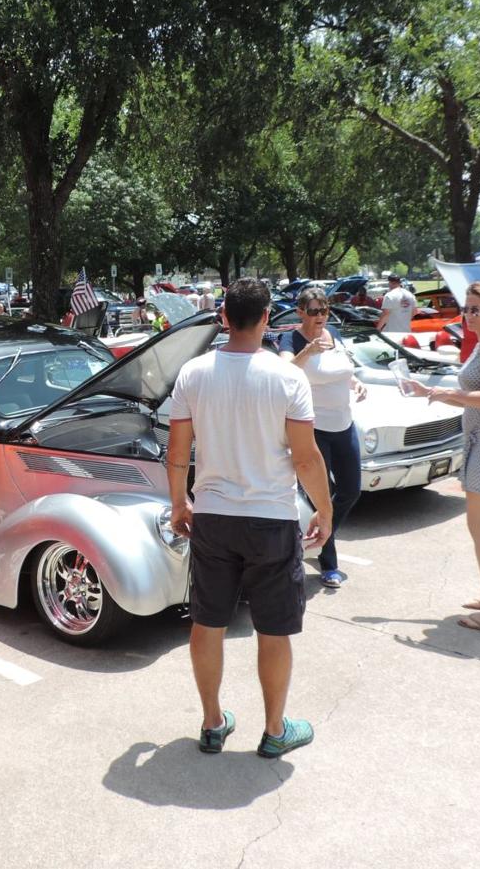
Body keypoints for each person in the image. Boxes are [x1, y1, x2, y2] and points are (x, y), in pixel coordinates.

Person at [166, 277, 333, 758]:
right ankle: (275, 730)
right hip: (271, 518)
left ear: (223, 316)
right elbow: (306, 457)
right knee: (274, 628)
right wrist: (325, 508)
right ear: (265, 319)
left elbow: (178, 451)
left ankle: (213, 722)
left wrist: (179, 503)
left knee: (208, 622)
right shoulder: (287, 376)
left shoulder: (193, 373)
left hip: (213, 516)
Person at [405, 281, 480, 634]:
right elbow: (473, 393)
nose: (468, 315)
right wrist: (434, 393)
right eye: (466, 308)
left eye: (476, 309)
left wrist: (449, 392)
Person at [281, 286, 366, 589]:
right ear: (301, 312)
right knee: (321, 496)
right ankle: (329, 563)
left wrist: (355, 382)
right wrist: (307, 351)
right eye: (314, 311)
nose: (320, 316)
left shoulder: (335, 335)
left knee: (351, 490)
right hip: (314, 428)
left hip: (344, 424)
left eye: (325, 310)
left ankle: (321, 535)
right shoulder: (291, 338)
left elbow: (341, 369)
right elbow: (283, 372)